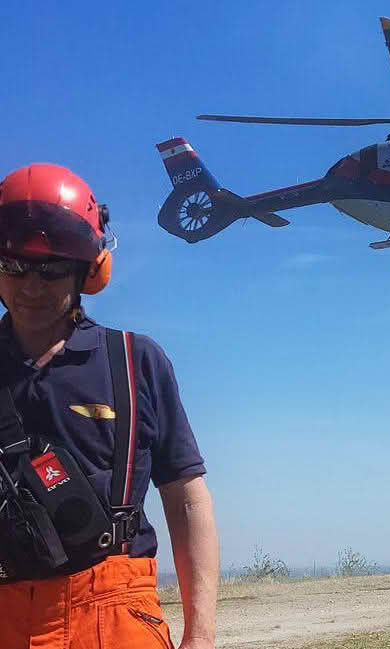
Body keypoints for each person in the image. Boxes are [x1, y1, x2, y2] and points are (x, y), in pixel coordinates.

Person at [0, 163, 219, 648]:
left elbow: (186, 497)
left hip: (115, 613)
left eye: (51, 270)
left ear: (89, 271)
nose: (30, 286)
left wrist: (200, 636)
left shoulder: (136, 362)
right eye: (13, 266)